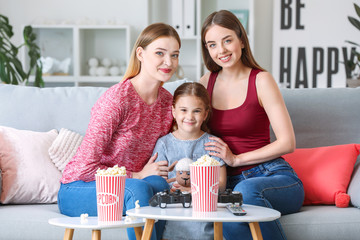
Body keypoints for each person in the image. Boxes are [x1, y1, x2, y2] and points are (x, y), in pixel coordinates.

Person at [58, 23, 181, 240]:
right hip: (79, 187)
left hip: (131, 185)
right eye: (160, 53)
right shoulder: (117, 99)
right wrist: (137, 175)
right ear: (140, 54)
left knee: (160, 186)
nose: (169, 62)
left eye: (174, 55)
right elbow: (86, 168)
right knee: (139, 189)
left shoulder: (167, 103)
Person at [199, 10, 305, 240]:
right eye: (212, 45)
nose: (221, 50)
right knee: (223, 207)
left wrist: (236, 159)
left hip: (272, 176)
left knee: (242, 194)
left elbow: (288, 142)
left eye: (227, 40)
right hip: (227, 180)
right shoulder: (205, 83)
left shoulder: (261, 80)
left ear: (241, 40)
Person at [153, 82, 227, 240]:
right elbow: (157, 182)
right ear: (173, 111)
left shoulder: (213, 144)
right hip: (173, 211)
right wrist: (172, 188)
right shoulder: (163, 144)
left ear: (205, 114)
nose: (189, 117)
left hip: (204, 210)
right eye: (183, 110)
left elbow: (221, 183)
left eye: (197, 111)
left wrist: (200, 189)